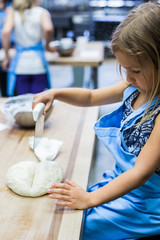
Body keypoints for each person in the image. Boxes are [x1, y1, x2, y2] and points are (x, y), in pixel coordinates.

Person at [32, 2, 160, 239]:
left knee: (76, 229)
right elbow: (91, 96)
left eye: (135, 70)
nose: (128, 78)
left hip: (145, 205)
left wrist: (90, 199)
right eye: (124, 69)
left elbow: (140, 173)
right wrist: (57, 93)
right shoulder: (135, 86)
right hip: (121, 181)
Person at [2, 0, 54, 96]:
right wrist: (48, 47)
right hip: (38, 66)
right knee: (38, 102)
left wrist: (7, 57)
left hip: (20, 66)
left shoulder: (13, 12)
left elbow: (5, 32)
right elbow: (48, 29)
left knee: (23, 102)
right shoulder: (42, 12)